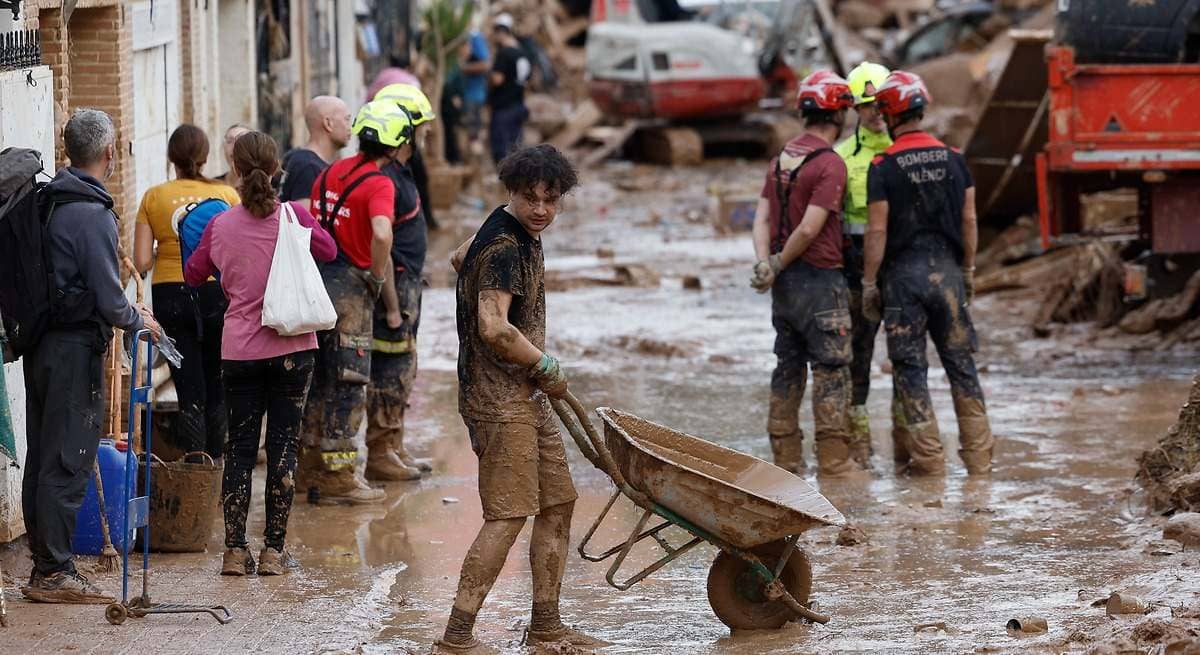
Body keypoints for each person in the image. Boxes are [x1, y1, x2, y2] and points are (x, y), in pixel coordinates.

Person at [435, 145, 603, 653]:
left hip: (524, 396)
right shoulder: (507, 248)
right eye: (530, 199)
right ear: (511, 192)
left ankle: (546, 626)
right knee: (507, 515)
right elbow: (492, 326)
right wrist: (541, 363)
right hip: (498, 399)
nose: (541, 210)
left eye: (551, 201)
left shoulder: (511, 231)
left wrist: (534, 374)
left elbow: (458, 256)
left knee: (557, 502)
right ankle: (457, 635)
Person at [21, 108, 159, 603]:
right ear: (109, 154)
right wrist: (139, 318)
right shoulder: (91, 212)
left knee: (42, 457)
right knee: (69, 457)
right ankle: (54, 574)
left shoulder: (50, 201)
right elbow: (106, 294)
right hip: (74, 351)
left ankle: (45, 566)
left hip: (40, 346)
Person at [185, 130, 337, 576]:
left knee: (240, 449)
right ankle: (273, 552)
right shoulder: (293, 217)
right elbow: (329, 250)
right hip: (293, 349)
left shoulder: (220, 224)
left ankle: (234, 550)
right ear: (277, 170)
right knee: (283, 446)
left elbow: (194, 275)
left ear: (235, 170)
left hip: (240, 351)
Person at [861, 70, 995, 476]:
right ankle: (980, 463)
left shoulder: (882, 165)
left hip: (903, 282)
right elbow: (969, 220)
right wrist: (968, 269)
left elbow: (877, 230)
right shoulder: (955, 159)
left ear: (888, 114)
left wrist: (869, 282)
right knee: (961, 365)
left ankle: (931, 464)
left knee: (910, 370)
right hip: (950, 276)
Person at [749, 71, 864, 478]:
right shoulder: (830, 164)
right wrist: (778, 263)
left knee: (788, 365)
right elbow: (812, 227)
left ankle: (786, 465)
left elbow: (762, 216)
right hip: (820, 281)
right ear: (840, 115)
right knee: (831, 370)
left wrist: (766, 264)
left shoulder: (781, 158)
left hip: (786, 288)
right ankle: (834, 463)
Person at [297, 100, 407, 504]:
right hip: (352, 297)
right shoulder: (381, 183)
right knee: (348, 384)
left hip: (318, 283)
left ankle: (307, 471)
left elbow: (309, 221)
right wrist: (378, 276)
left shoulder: (330, 172)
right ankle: (339, 477)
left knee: (318, 383)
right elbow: (382, 233)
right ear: (396, 146)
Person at [133, 124, 240, 460]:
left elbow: (141, 260)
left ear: (171, 158)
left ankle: (196, 462)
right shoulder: (226, 196)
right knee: (217, 380)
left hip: (171, 294)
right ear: (206, 157)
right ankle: (218, 464)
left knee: (187, 382)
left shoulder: (154, 197)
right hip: (215, 293)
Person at [368, 84, 438, 480]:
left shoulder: (402, 171)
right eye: (422, 126)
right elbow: (383, 238)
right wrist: (392, 302)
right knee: (391, 367)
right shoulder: (387, 178)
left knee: (404, 365)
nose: (427, 133)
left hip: (408, 282)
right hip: (394, 285)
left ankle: (393, 444)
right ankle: (381, 451)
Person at [833, 61, 895, 469]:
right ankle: (858, 445)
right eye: (867, 105)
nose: (875, 112)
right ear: (854, 108)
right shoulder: (839, 157)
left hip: (901, 266)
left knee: (908, 357)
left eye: (881, 104)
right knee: (858, 355)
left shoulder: (903, 151)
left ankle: (912, 448)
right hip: (855, 269)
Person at [278, 96, 352, 202]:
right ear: (328, 123)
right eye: (347, 119)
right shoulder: (307, 167)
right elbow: (304, 216)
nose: (350, 127)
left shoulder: (299, 158)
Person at [487, 13, 531, 164]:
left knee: (502, 151)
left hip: (503, 108)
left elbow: (497, 79)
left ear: (501, 32)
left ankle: (504, 184)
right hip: (518, 105)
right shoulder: (523, 53)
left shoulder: (504, 53)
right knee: (516, 149)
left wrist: (489, 75)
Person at [461, 29, 491, 156]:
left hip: (474, 96)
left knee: (473, 134)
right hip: (467, 95)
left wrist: (462, 68)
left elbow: (486, 64)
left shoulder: (474, 37)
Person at [218, 123, 253, 188]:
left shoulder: (268, 186)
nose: (234, 146)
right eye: (229, 141)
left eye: (242, 140)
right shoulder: (214, 185)